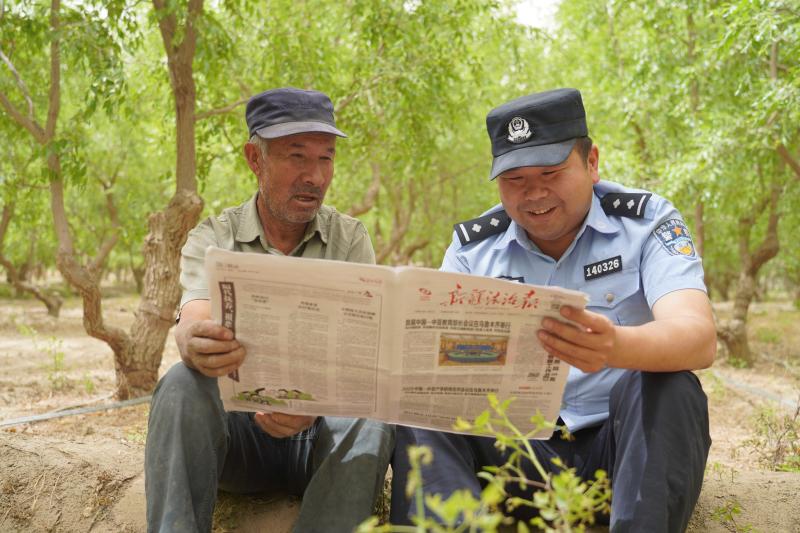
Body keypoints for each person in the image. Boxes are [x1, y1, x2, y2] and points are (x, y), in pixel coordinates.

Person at [390, 88, 715, 532]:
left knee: (669, 385)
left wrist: (617, 346)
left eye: (551, 172)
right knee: (417, 403)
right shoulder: (473, 250)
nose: (534, 194)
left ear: (592, 162)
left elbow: (697, 335)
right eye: (514, 180)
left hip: (621, 455)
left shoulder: (646, 223)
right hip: (515, 458)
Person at [145, 88, 394, 533]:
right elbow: (196, 317)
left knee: (369, 411)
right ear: (254, 159)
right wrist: (191, 338)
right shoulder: (214, 237)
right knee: (181, 383)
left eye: (326, 159)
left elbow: (361, 361)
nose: (314, 177)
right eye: (297, 157)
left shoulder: (350, 239)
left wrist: (314, 405)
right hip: (239, 443)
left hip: (322, 444)